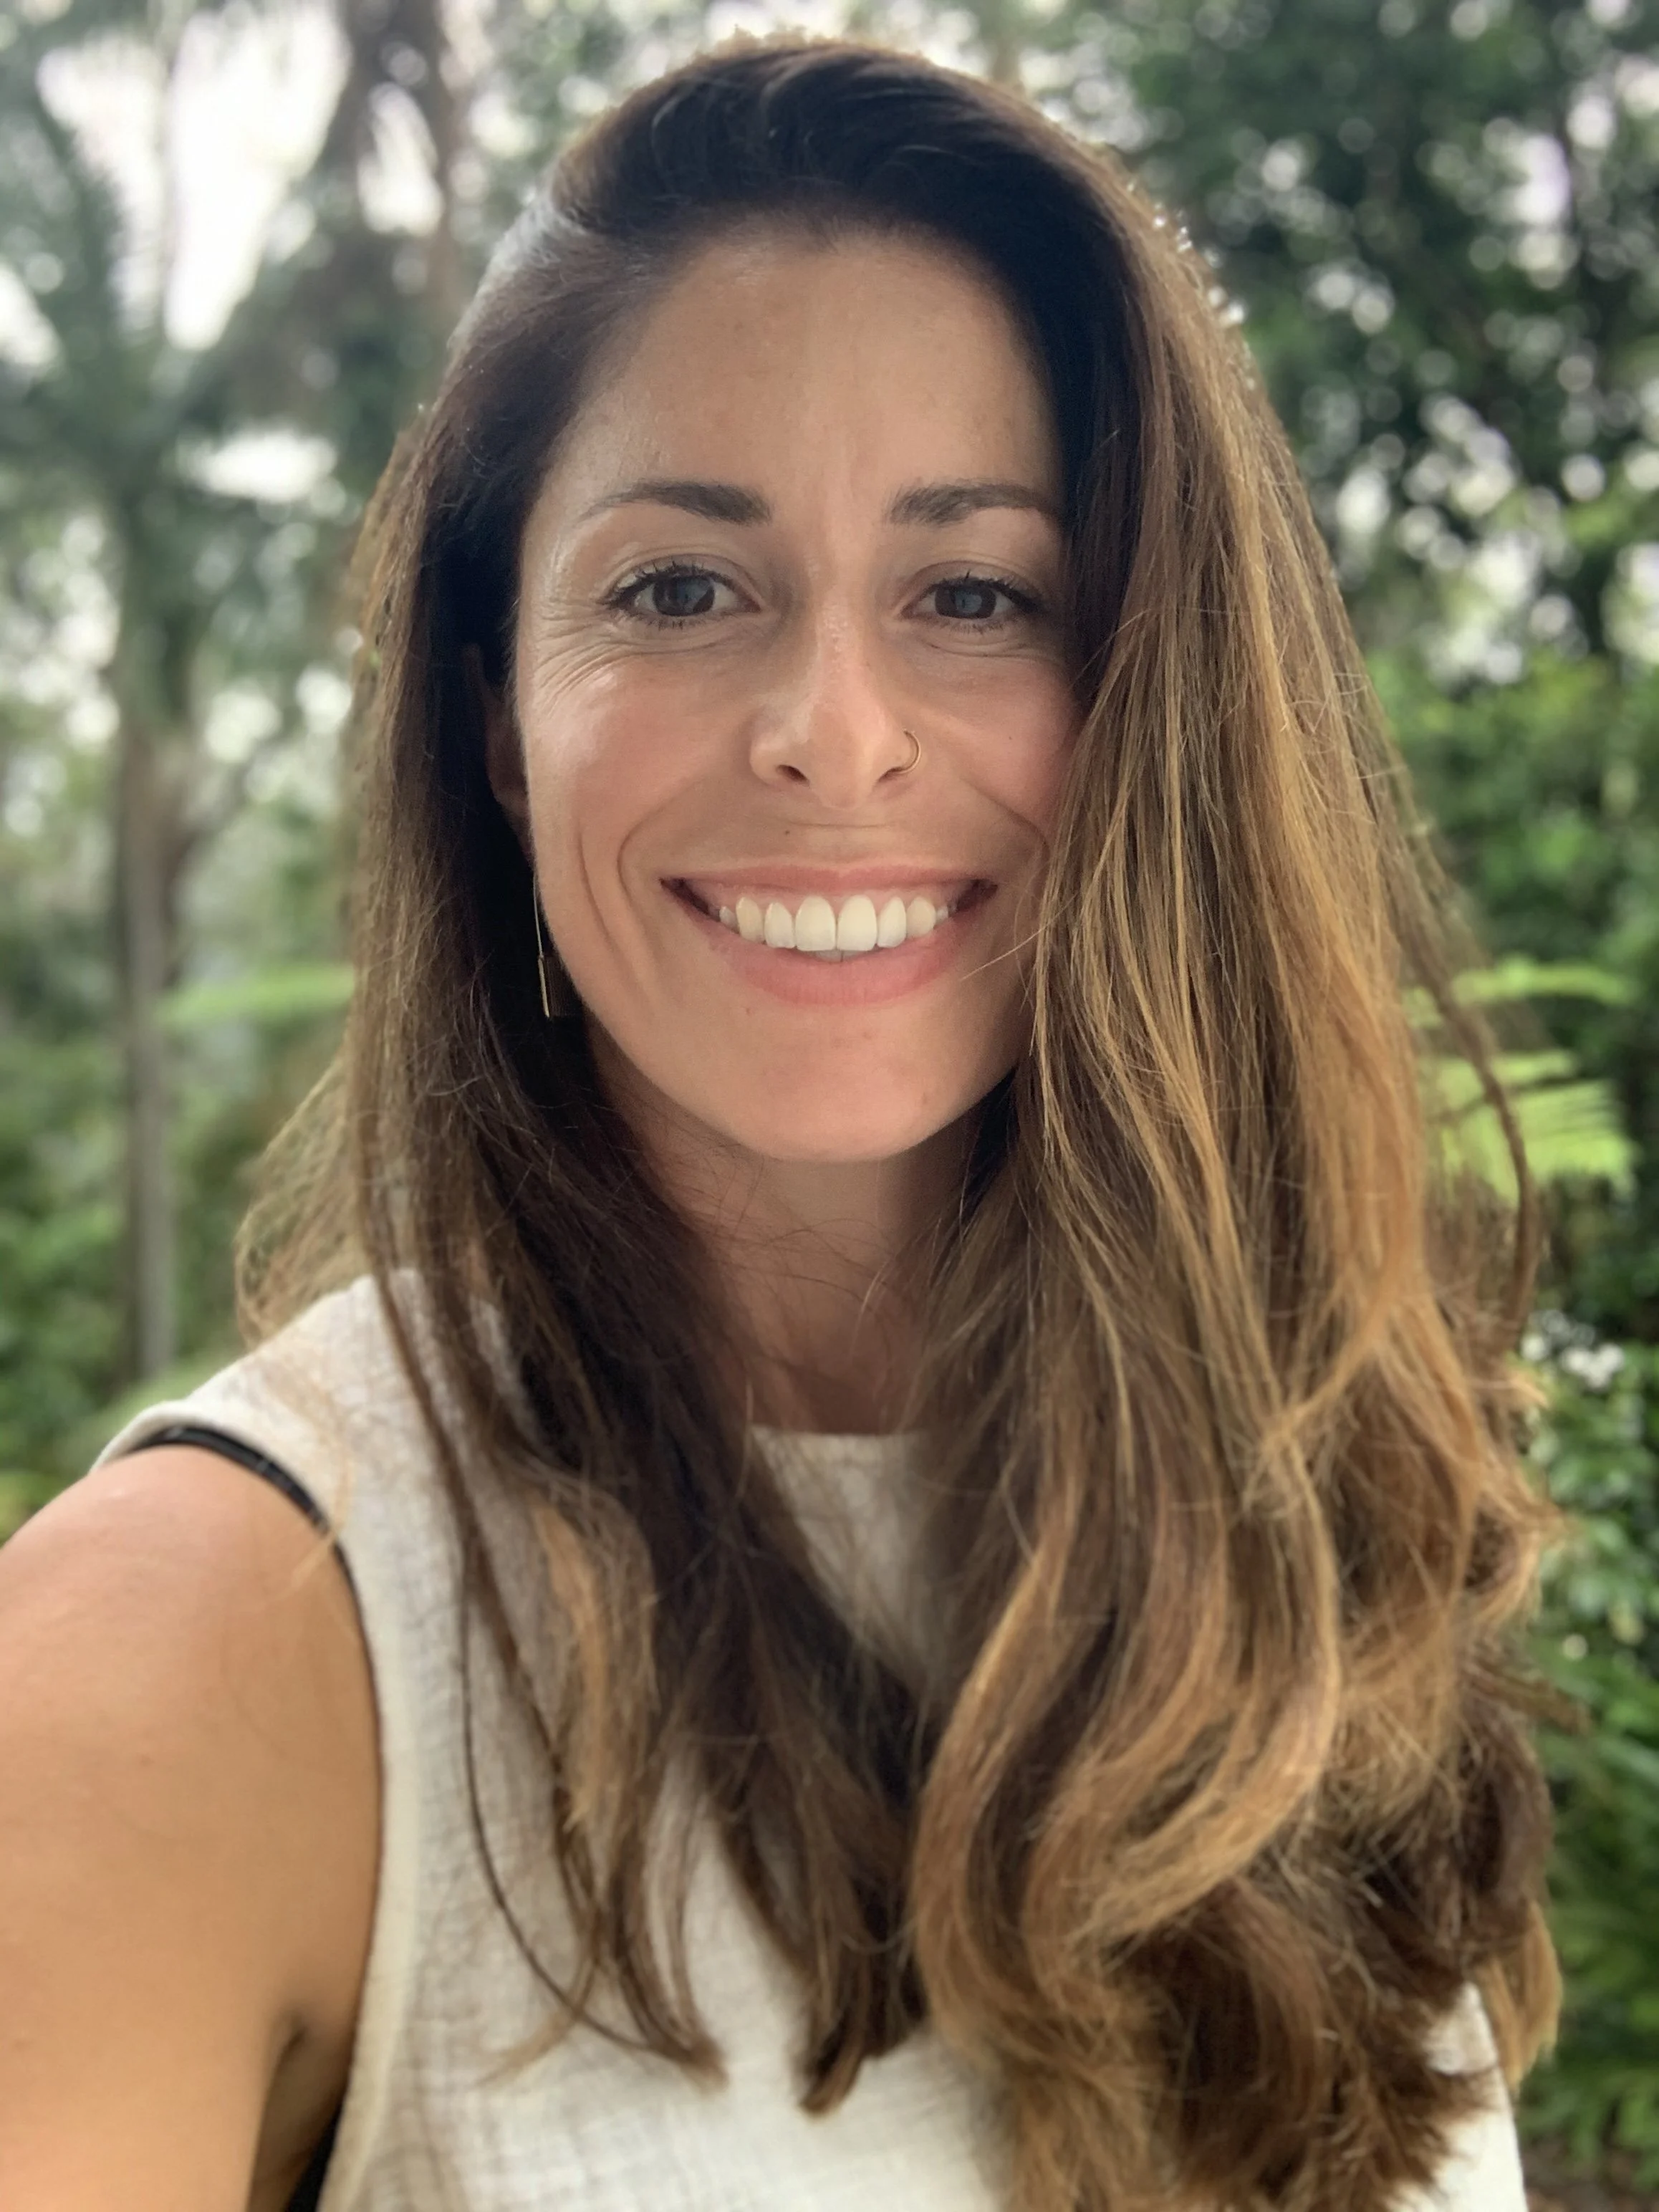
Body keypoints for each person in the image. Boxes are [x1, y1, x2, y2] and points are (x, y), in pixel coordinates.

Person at [0, 37, 1562, 2212]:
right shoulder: (197, 1658)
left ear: (1156, 698)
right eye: (676, 589)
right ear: (494, 716)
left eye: (976, 595)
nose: (833, 735)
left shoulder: (1306, 1531)